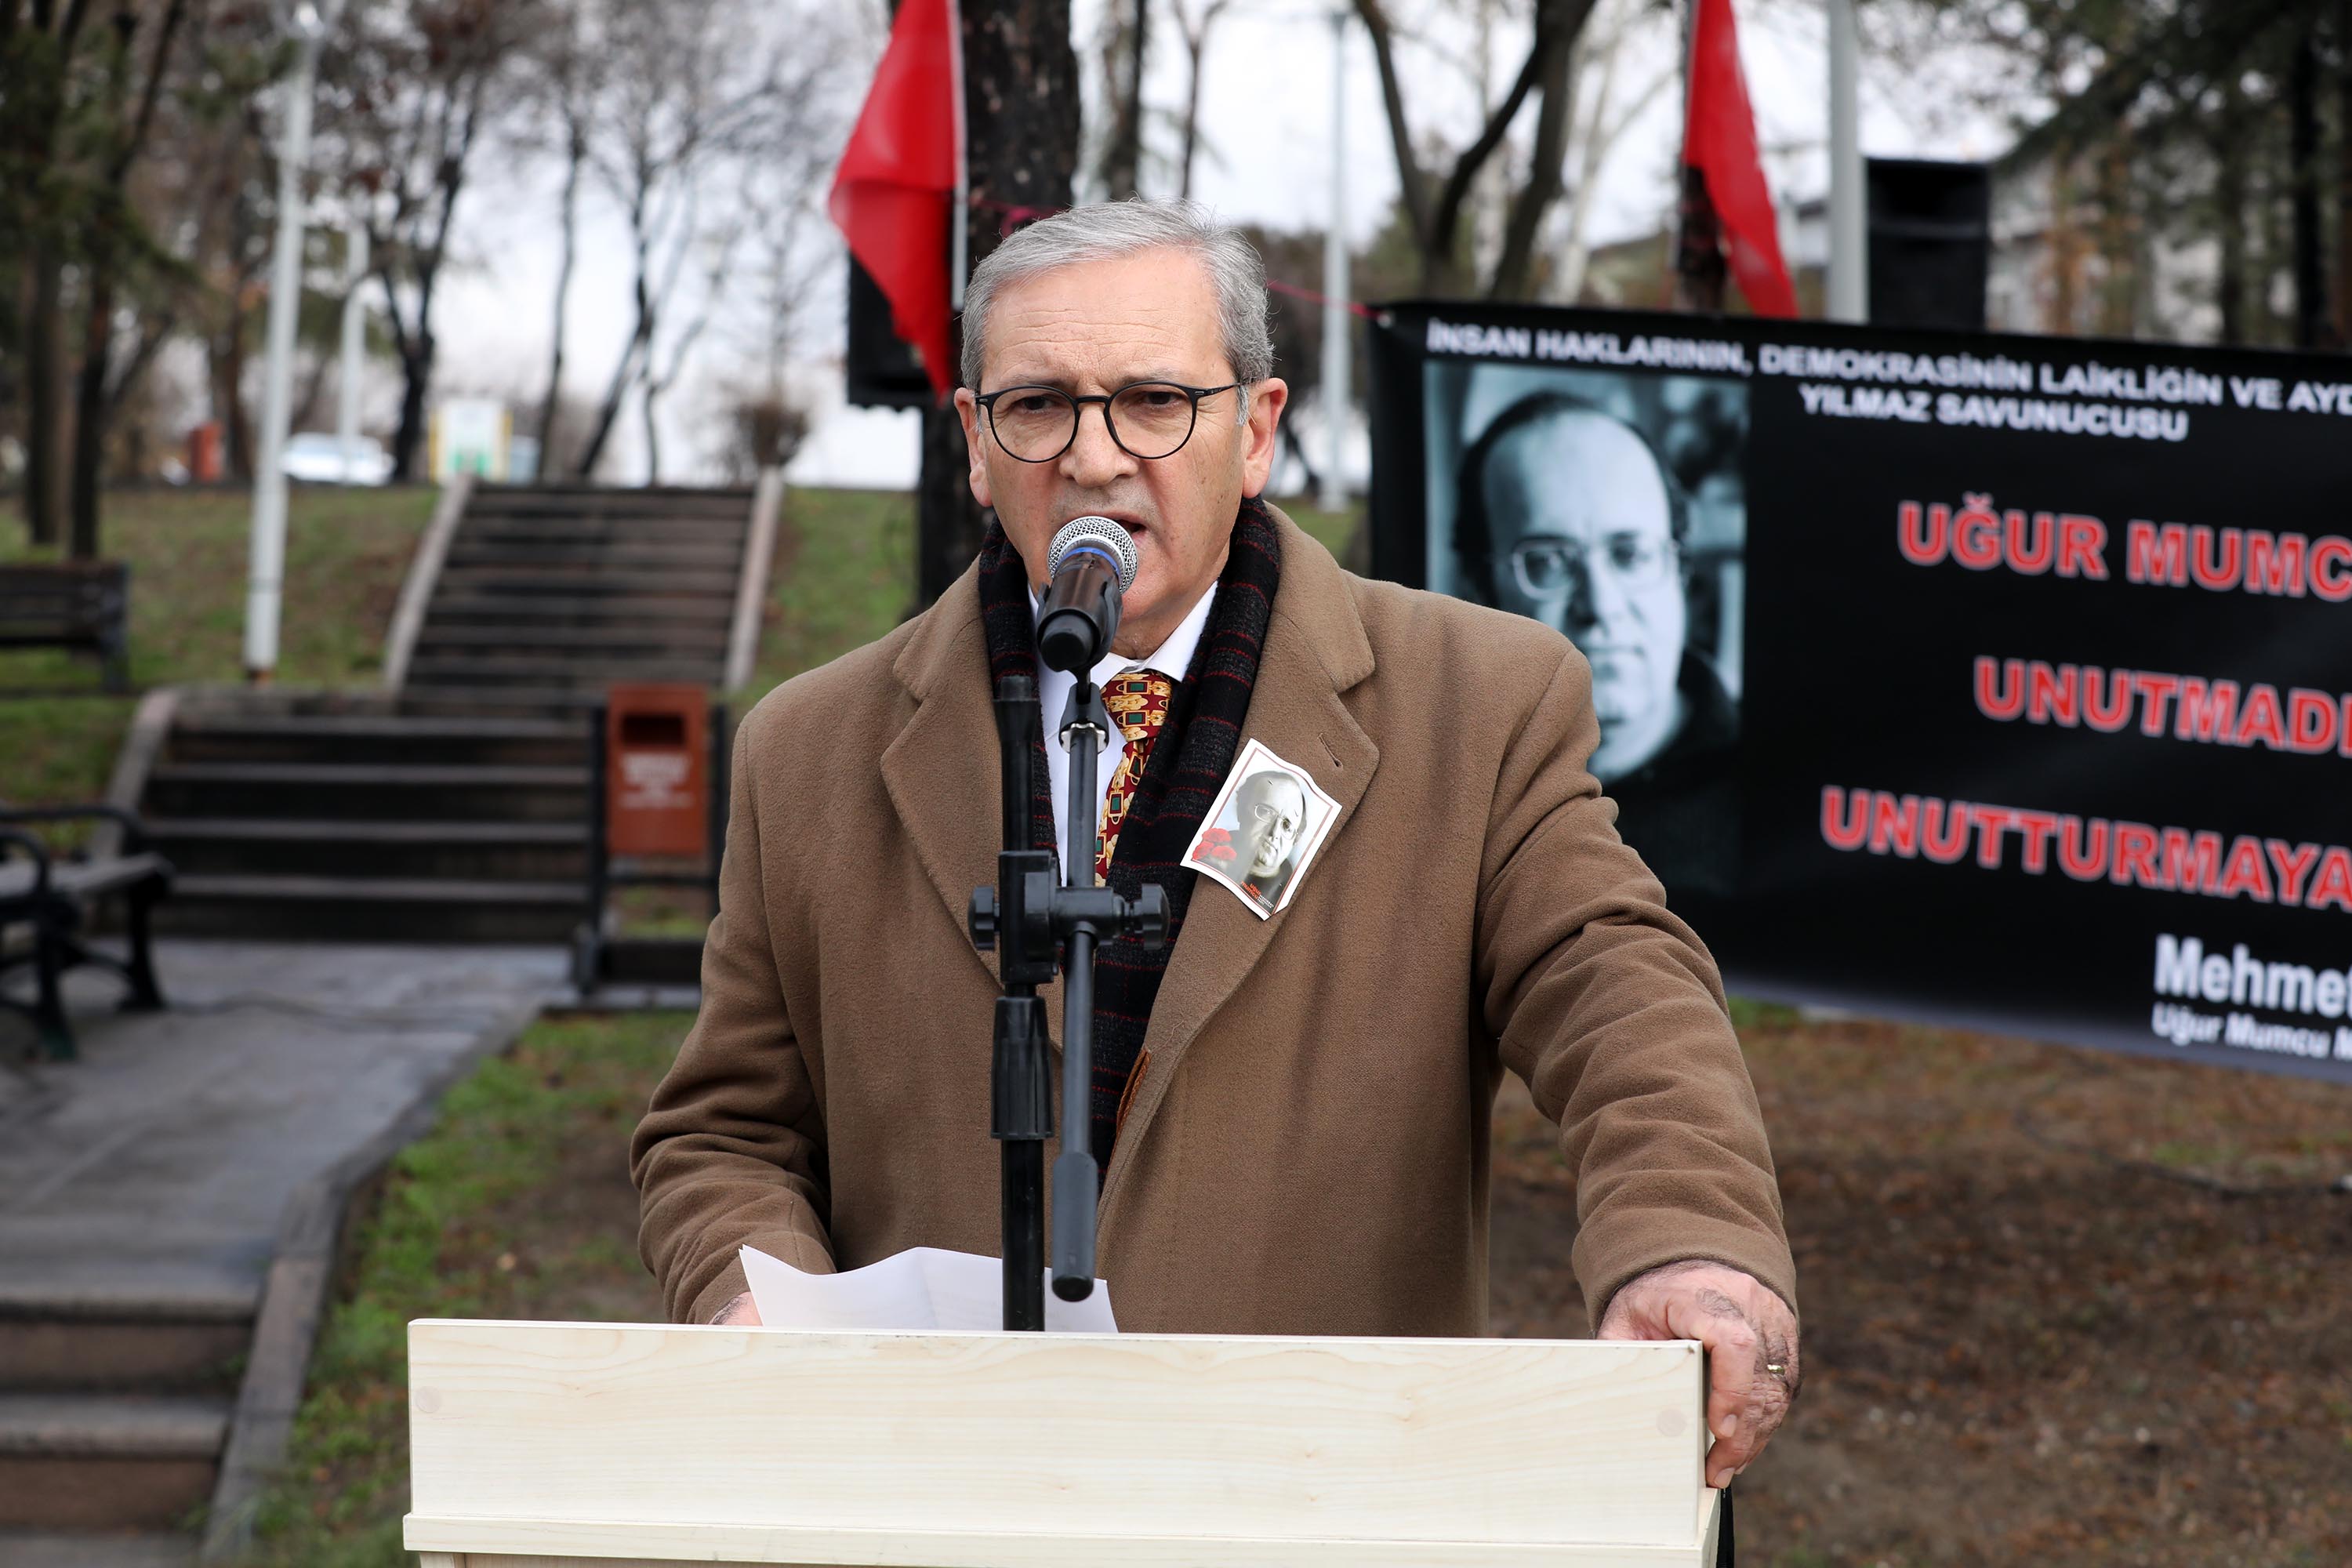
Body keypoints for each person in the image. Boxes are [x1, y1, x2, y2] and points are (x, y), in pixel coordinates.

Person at [632, 201, 1799, 1491]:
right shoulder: (809, 748)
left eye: (1153, 401)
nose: (1093, 457)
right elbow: (724, 1133)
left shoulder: (1477, 703)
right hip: (928, 1493)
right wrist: (761, 1311)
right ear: (973, 441)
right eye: (1037, 408)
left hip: (1322, 1493)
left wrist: (1689, 1245)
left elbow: (1617, 992)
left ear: (1255, 431)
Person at [1454, 393, 1740, 895]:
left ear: (1680, 570)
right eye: (1548, 562)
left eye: (1630, 554)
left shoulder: (1785, 796)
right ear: (1479, 592)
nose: (1603, 605)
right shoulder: (1427, 780)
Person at [1190, 764, 1311, 915]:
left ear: (1296, 839)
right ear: (1241, 811)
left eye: (1287, 826)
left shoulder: (1297, 900)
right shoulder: (1206, 851)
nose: (1274, 832)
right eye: (1267, 812)